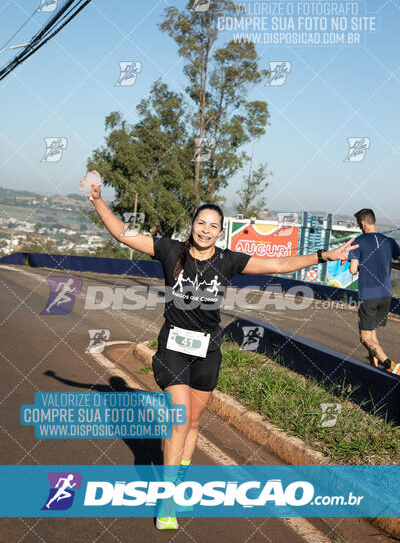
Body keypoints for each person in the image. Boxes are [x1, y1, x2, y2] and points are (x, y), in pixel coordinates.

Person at [83, 174, 358, 530]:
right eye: (201, 223)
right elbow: (123, 233)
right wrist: (97, 200)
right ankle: (167, 499)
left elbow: (278, 265)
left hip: (208, 349)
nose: (206, 230)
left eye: (213, 226)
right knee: (179, 420)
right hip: (173, 347)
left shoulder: (228, 261)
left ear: (220, 232)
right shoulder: (170, 251)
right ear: (193, 225)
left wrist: (324, 255)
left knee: (194, 421)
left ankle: (178, 476)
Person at [347, 208, 400, 374]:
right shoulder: (390, 241)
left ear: (362, 223)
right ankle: (374, 370)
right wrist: (388, 265)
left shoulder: (358, 242)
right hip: (386, 295)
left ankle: (391, 365)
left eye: (358, 224)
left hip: (369, 295)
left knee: (364, 338)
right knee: (372, 336)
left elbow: (353, 270)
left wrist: (357, 263)